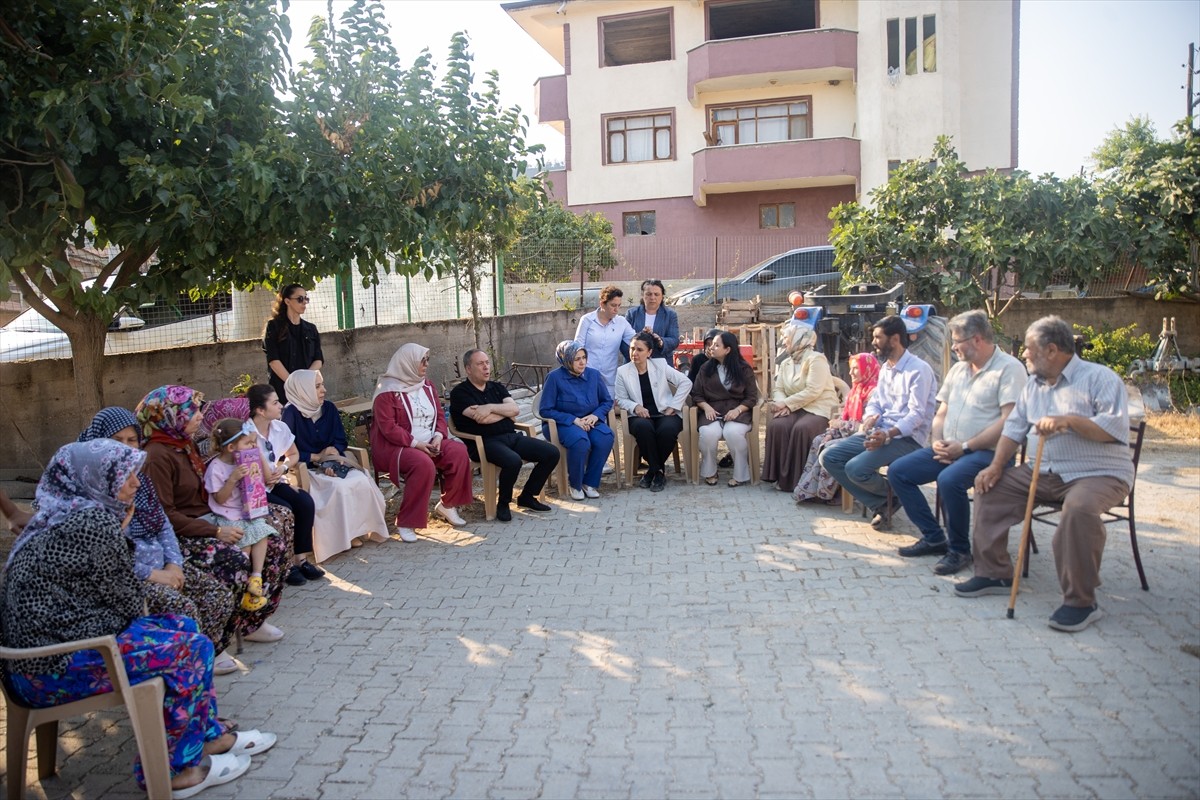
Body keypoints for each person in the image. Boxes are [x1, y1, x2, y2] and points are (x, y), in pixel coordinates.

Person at [0, 439, 276, 798]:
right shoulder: (92, 522)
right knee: (189, 648)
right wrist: (120, 533)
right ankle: (177, 771)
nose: (135, 482)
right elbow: (129, 604)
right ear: (96, 480)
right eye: (125, 475)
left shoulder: (66, 511)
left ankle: (208, 739)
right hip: (49, 669)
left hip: (50, 653)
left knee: (185, 627)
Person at [955, 316, 1135, 633]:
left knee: (1078, 510)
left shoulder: (1100, 378)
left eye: (1028, 349)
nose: (1023, 355)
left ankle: (1081, 602)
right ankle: (995, 572)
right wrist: (996, 465)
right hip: (1045, 471)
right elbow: (1013, 429)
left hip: (1098, 474)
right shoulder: (1034, 386)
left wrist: (1068, 421)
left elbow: (1114, 428)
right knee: (988, 487)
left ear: (1051, 350)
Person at [78, 407, 235, 667]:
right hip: (127, 576)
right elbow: (106, 558)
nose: (127, 448)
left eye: (132, 440)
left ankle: (206, 655)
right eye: (118, 441)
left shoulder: (137, 476)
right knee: (183, 610)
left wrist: (174, 564)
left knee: (217, 596)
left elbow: (162, 525)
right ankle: (181, 668)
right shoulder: (90, 486)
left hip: (160, 562)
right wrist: (155, 574)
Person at [139, 385, 291, 646]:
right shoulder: (157, 455)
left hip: (214, 514)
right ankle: (218, 638)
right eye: (192, 411)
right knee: (233, 559)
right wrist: (216, 531)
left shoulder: (183, 444)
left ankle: (253, 619)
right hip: (188, 531)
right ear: (171, 415)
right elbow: (166, 516)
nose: (200, 416)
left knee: (278, 528)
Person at [888, 310, 1026, 575]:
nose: (953, 347)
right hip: (951, 448)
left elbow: (1009, 422)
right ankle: (934, 536)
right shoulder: (958, 370)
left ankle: (960, 550)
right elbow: (941, 412)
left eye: (957, 341)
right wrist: (938, 441)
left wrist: (964, 447)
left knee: (949, 480)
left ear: (976, 339)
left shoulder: (1009, 369)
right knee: (899, 472)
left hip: (990, 453)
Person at [819, 315, 938, 526]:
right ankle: (886, 501)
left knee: (855, 468)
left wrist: (888, 434)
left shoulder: (919, 370)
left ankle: (892, 498)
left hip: (906, 439)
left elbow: (916, 416)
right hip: (879, 432)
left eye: (877, 337)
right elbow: (876, 403)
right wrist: (869, 418)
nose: (873, 342)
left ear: (894, 339)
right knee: (829, 457)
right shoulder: (886, 369)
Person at [370, 344, 474, 539]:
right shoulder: (386, 391)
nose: (426, 365)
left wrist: (438, 436)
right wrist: (417, 444)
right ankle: (406, 522)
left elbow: (440, 416)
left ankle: (447, 505)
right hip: (395, 446)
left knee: (459, 452)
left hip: (428, 440)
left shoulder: (426, 385)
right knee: (422, 463)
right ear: (407, 363)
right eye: (422, 360)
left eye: (428, 360)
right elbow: (388, 428)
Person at [282, 370, 390, 554]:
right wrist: (316, 457)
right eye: (317, 386)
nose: (323, 390)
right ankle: (343, 537)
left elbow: (340, 439)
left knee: (361, 481)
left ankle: (358, 531)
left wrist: (331, 459)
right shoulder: (291, 413)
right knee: (337, 489)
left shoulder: (329, 408)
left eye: (322, 384)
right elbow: (284, 451)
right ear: (303, 390)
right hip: (305, 468)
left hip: (332, 462)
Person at [449, 348, 558, 521]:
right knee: (512, 461)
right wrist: (504, 412)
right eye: (480, 364)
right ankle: (503, 503)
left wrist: (490, 408)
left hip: (510, 436)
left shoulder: (497, 387)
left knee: (551, 453)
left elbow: (514, 409)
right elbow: (481, 420)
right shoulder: (460, 393)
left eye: (487, 363)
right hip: (483, 443)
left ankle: (527, 497)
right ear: (468, 369)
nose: (486, 367)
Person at [246, 384, 325, 586]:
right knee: (285, 509)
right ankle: (286, 565)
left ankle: (301, 560)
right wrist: (267, 475)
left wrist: (283, 469)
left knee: (305, 502)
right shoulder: (246, 432)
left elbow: (293, 454)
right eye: (275, 402)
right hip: (252, 488)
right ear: (260, 410)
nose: (281, 406)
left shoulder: (280, 427)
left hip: (274, 480)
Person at [203, 419, 278, 612]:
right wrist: (233, 478)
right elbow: (219, 499)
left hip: (246, 512)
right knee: (244, 542)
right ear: (231, 447)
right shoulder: (216, 468)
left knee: (262, 533)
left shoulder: (248, 461)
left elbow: (258, 485)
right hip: (227, 515)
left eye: (254, 442)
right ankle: (244, 588)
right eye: (249, 443)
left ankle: (256, 576)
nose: (253, 446)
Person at [760, 324, 839, 493]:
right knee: (778, 426)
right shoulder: (786, 362)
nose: (784, 341)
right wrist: (784, 404)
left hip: (818, 407)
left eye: (787, 338)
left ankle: (800, 481)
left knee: (802, 429)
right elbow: (778, 389)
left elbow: (813, 390)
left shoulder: (816, 359)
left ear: (798, 338)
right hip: (795, 408)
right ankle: (781, 478)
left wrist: (787, 404)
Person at [793, 353, 880, 503]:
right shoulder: (855, 391)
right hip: (848, 433)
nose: (851, 372)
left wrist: (840, 426)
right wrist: (831, 431)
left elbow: (867, 427)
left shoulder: (874, 394)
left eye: (855, 369)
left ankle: (828, 494)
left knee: (829, 447)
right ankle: (814, 490)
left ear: (867, 369)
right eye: (850, 368)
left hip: (863, 439)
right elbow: (843, 417)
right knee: (819, 440)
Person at [614, 331, 692, 492]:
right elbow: (620, 398)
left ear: (649, 352)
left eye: (639, 350)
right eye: (632, 348)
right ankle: (658, 471)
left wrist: (674, 406)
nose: (634, 353)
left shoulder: (661, 365)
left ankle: (652, 471)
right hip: (639, 415)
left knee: (668, 429)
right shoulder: (623, 371)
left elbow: (685, 382)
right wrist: (636, 407)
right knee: (644, 428)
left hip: (664, 412)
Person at [539, 341, 614, 500]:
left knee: (606, 437)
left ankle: (590, 482)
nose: (582, 362)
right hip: (563, 423)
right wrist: (573, 420)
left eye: (584, 357)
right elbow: (545, 410)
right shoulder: (554, 378)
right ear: (565, 360)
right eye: (576, 359)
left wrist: (595, 415)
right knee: (580, 441)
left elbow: (607, 401)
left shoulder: (593, 375)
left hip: (591, 421)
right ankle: (576, 484)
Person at [691, 330, 760, 487]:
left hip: (738, 412)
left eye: (716, 345)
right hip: (712, 411)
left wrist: (738, 410)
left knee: (732, 432)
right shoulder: (705, 368)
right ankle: (710, 471)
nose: (711, 348)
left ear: (728, 349)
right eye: (711, 345)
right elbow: (696, 394)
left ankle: (741, 474)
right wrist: (706, 407)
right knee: (707, 433)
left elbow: (751, 397)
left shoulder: (744, 369)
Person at [263, 283, 323, 404]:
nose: (304, 302)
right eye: (300, 299)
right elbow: (273, 360)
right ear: (287, 301)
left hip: (307, 389)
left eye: (306, 298)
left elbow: (319, 359)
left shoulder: (311, 329)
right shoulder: (273, 326)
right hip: (282, 388)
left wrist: (305, 380)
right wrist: (293, 383)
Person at [573, 285, 635, 395]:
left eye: (619, 305)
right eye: (613, 305)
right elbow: (578, 347)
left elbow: (635, 340)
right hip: (587, 375)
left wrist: (647, 335)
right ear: (602, 304)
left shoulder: (622, 322)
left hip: (610, 378)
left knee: (609, 409)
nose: (616, 309)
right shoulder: (587, 320)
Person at [622, 279, 680, 365]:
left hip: (661, 363)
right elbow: (623, 340)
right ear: (642, 295)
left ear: (662, 296)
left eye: (656, 294)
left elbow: (674, 340)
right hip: (634, 363)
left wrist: (660, 341)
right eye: (648, 294)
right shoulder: (632, 314)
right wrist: (640, 336)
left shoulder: (670, 315)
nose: (652, 298)